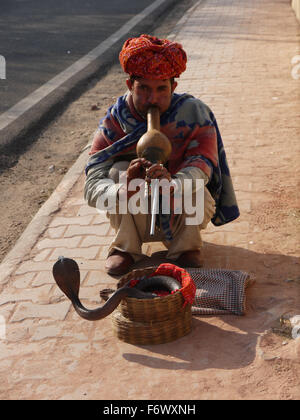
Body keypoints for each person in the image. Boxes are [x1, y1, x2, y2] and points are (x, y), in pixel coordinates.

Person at [84, 34, 239, 275]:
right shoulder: (115, 119)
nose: (152, 99)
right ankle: (126, 248)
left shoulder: (194, 112)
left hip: (179, 205)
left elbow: (203, 166)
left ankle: (185, 247)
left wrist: (174, 184)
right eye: (143, 88)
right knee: (117, 172)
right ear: (129, 85)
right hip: (137, 210)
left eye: (161, 89)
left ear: (173, 87)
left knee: (195, 182)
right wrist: (123, 190)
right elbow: (92, 185)